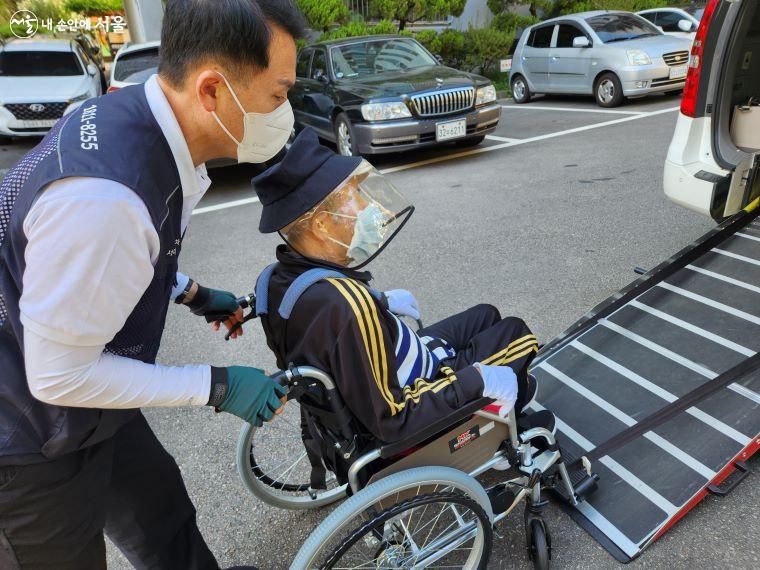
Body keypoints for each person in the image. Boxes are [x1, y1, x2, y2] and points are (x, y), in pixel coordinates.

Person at [0, 1, 306, 568]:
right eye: (279, 94)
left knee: (162, 519)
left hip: (87, 396)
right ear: (212, 90)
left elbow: (115, 265)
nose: (283, 111)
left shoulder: (138, 120)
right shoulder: (103, 199)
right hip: (27, 432)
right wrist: (214, 384)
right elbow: (58, 375)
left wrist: (191, 293)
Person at [248, 128, 544, 449]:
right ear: (320, 224)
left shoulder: (275, 280)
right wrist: (478, 379)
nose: (365, 208)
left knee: (487, 315)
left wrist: (382, 300)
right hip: (415, 387)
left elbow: (330, 327)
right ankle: (509, 422)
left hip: (391, 361)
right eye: (353, 199)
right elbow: (394, 419)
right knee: (517, 333)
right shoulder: (349, 309)